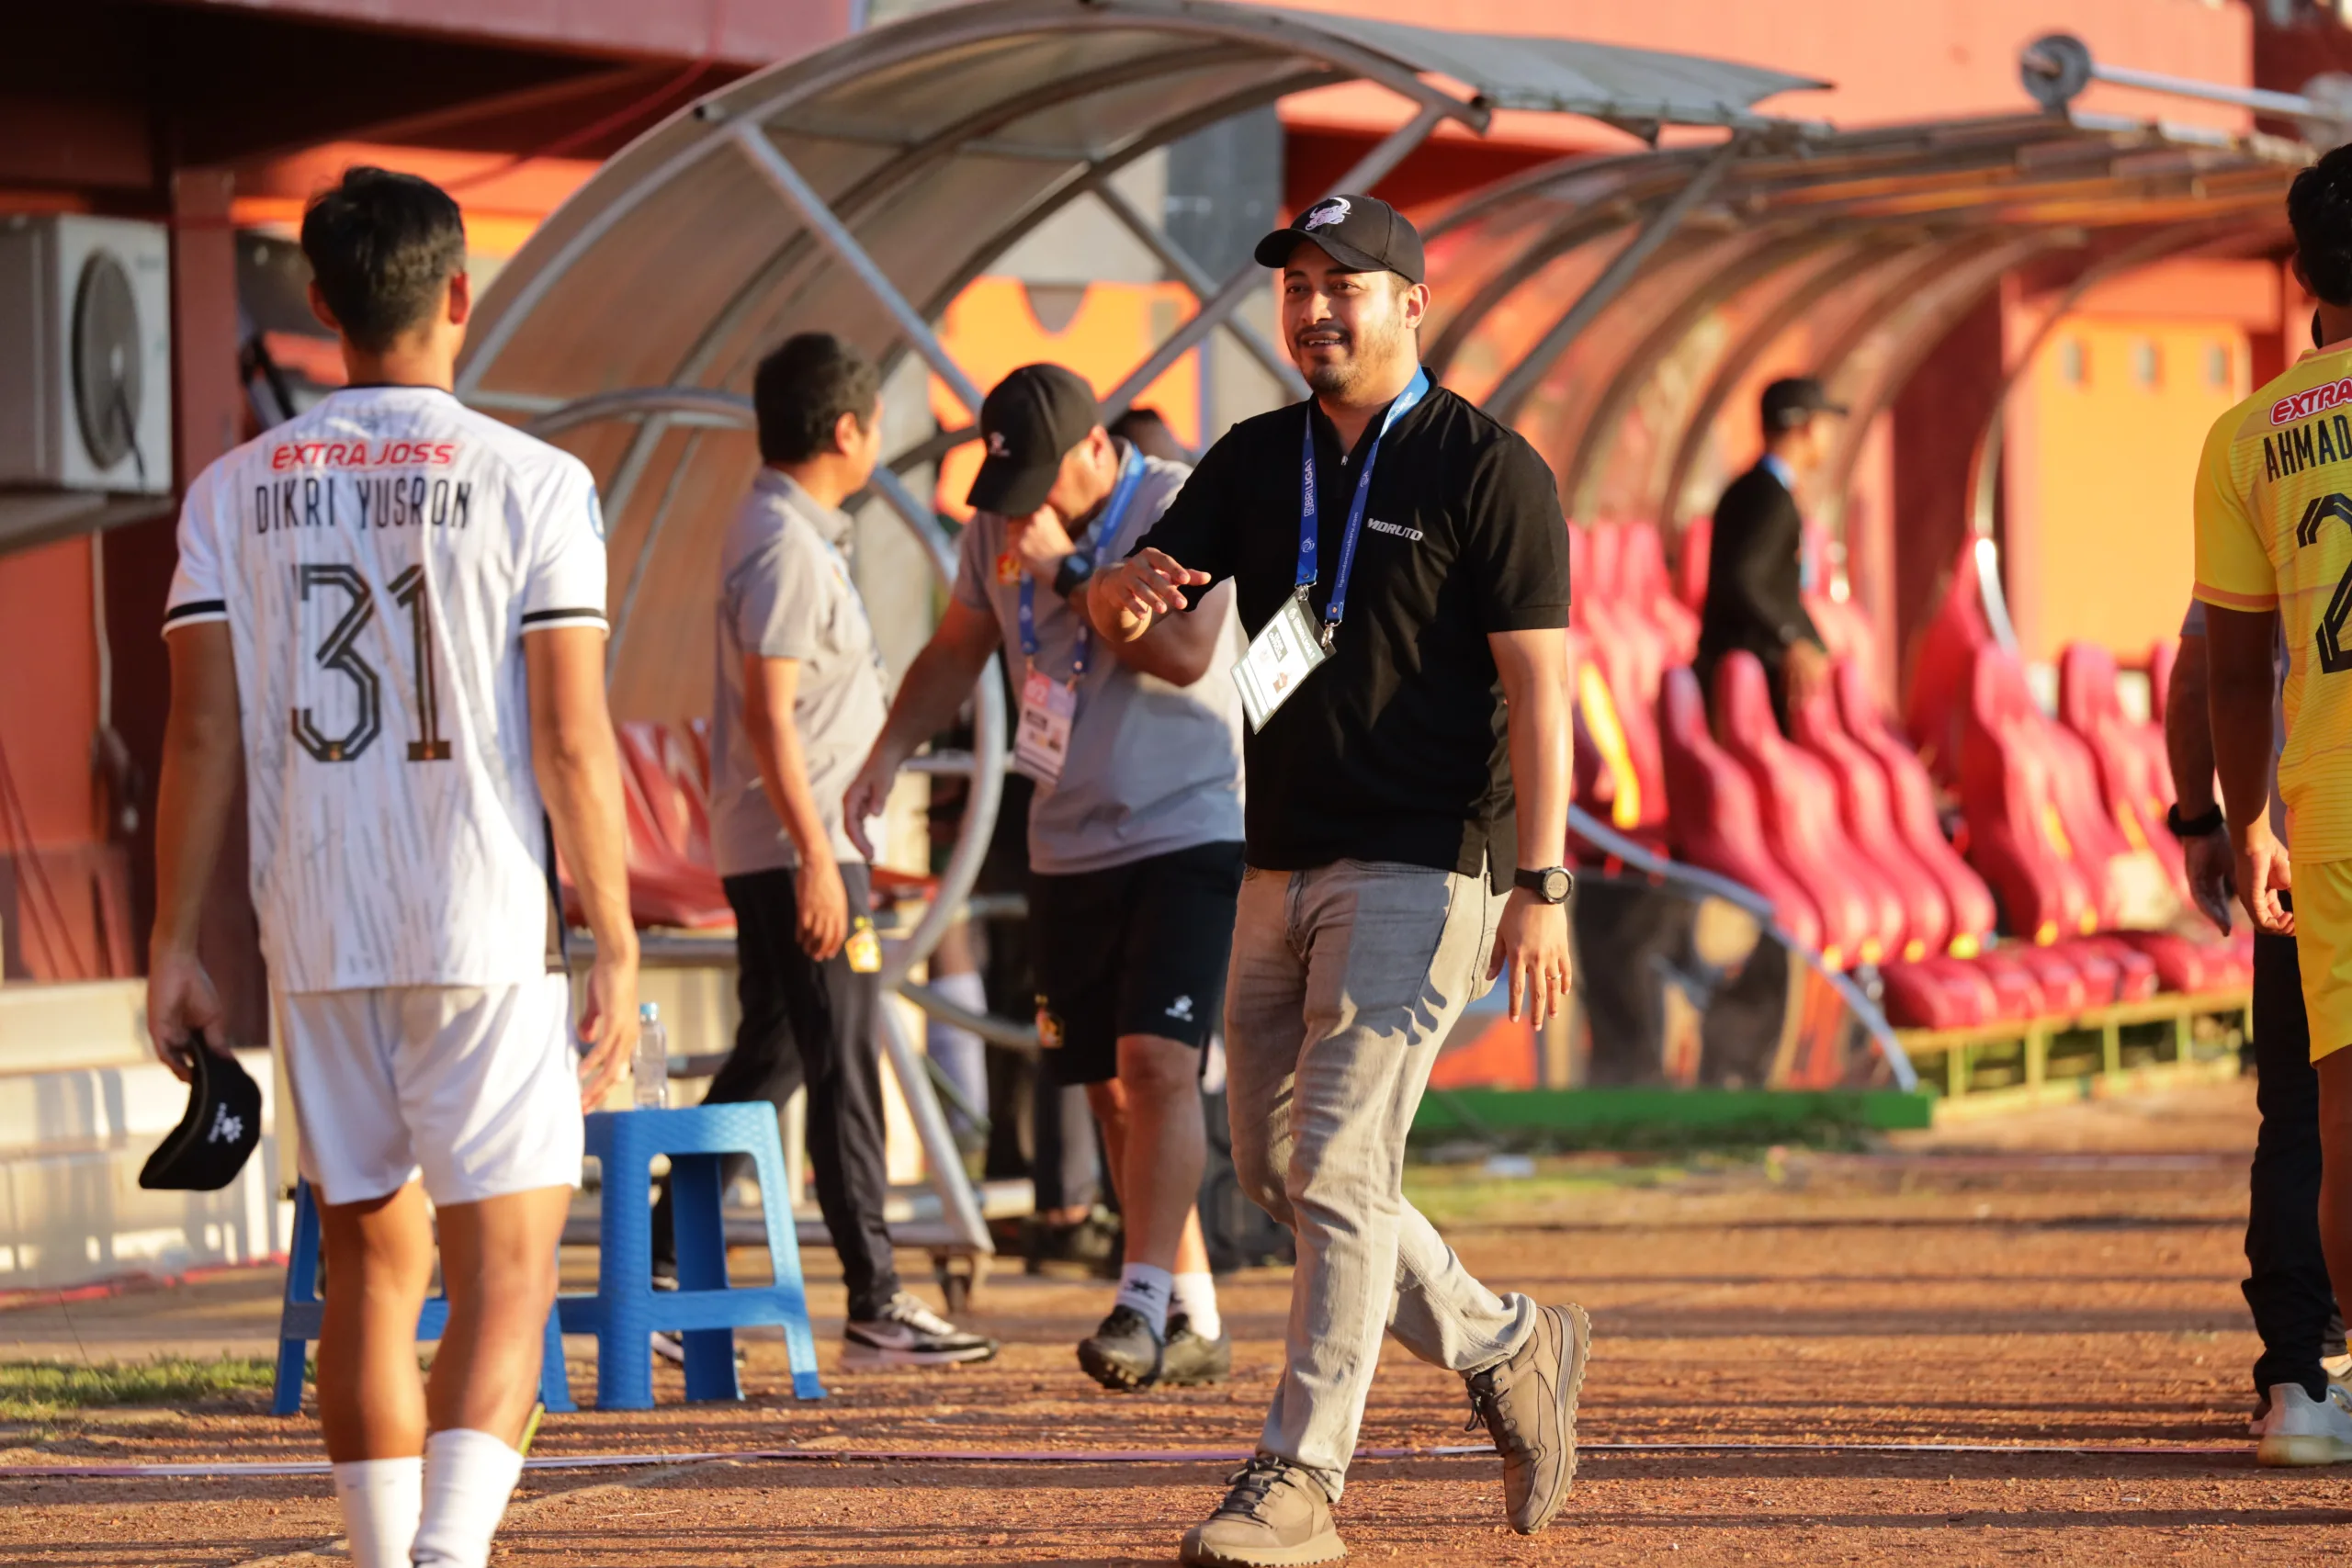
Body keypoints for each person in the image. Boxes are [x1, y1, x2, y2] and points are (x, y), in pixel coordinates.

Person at [147, 166, 639, 1568]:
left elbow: (198, 728)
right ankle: (447, 1554)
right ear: (460, 294)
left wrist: (175, 937)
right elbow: (569, 735)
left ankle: (381, 1559)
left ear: (320, 306)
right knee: (512, 1263)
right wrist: (610, 921)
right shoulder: (540, 482)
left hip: (313, 914)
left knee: (366, 1259)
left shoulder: (230, 491)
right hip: (481, 912)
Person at [1089, 193, 1585, 1567]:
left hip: (1431, 862)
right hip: (1278, 858)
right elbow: (1170, 616)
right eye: (1298, 284)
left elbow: (1544, 694)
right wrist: (1120, 596)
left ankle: (1300, 1481)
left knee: (1344, 1160)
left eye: (1343, 284)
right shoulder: (1256, 461)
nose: (1314, 307)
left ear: (1410, 304)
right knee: (1279, 1165)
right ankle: (1510, 1337)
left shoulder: (1491, 469)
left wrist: (1543, 883)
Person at [846, 363, 1244, 1390]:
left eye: (1033, 485)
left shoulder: (1177, 500)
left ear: (1093, 452)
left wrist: (1070, 570)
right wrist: (888, 750)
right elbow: (955, 646)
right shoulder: (1000, 528)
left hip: (1184, 828)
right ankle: (1191, 1310)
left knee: (1160, 1066)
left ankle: (1139, 1300)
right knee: (1108, 1090)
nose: (1012, 514)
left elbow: (1187, 653)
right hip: (1066, 838)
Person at [656, 331, 994, 1368]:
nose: (880, 440)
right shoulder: (783, 545)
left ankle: (660, 1259)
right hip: (800, 843)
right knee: (841, 1055)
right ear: (847, 429)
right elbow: (766, 714)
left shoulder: (791, 532)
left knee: (781, 1053)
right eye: (878, 424)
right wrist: (814, 852)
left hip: (802, 837)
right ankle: (877, 1297)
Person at [2197, 140, 2352, 1467]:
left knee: (2322, 1113)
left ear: (2304, 272)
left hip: (2324, 807)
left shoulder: (2252, 433)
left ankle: (2308, 1375)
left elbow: (2228, 664)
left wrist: (2239, 819)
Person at [2166, 601, 2351, 1461]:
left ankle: (2300, 1382)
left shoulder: (2262, 465)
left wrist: (2208, 822)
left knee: (2307, 1113)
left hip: (2309, 844)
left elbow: (2208, 676)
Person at [1693, 376, 1843, 728]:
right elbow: (1741, 579)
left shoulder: (1757, 489)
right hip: (1751, 677)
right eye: (1824, 424)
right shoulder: (1768, 498)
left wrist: (1815, 644)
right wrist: (1792, 640)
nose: (1829, 437)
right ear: (1805, 427)